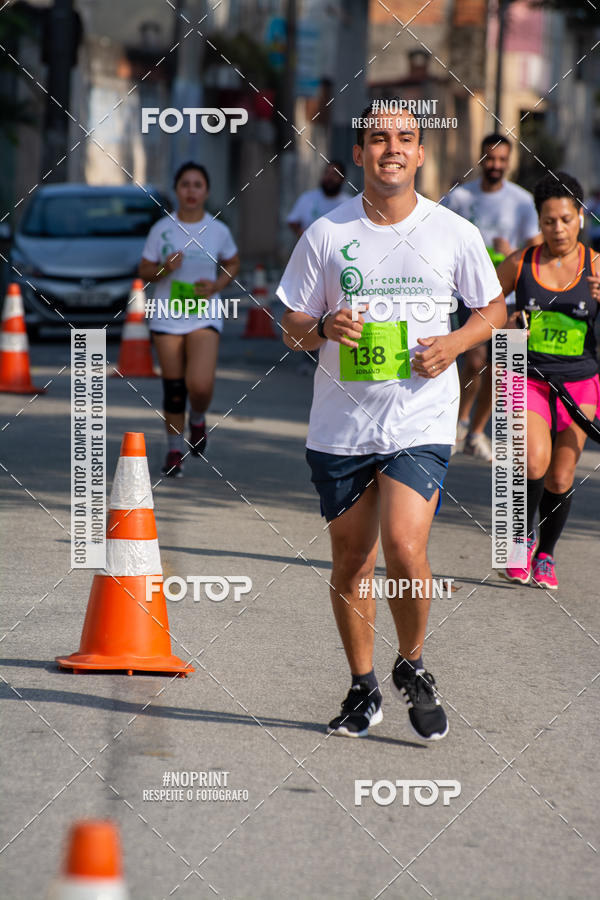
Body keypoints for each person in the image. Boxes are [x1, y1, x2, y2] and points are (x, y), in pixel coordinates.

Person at [277, 102, 506, 741]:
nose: (392, 149)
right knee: (352, 561)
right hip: (341, 429)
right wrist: (320, 328)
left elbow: (493, 308)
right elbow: (289, 321)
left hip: (420, 420)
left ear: (422, 153)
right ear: (359, 153)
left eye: (406, 138)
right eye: (379, 139)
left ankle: (413, 664)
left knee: (406, 548)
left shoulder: (452, 232)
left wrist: (456, 345)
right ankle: (363, 686)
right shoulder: (326, 234)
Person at [497, 172, 600, 590]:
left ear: (580, 216)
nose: (557, 229)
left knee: (560, 477)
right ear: (538, 221)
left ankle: (545, 554)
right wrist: (506, 322)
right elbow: (485, 305)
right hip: (527, 375)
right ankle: (519, 538)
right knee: (532, 461)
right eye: (548, 221)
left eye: (565, 219)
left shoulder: (596, 267)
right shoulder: (520, 262)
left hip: (580, 381)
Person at [139, 161, 240, 478]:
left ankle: (197, 419)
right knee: (173, 388)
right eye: (186, 185)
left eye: (198, 185)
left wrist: (218, 285)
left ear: (206, 191)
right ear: (177, 190)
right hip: (167, 315)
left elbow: (233, 262)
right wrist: (164, 269)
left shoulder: (218, 230)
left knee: (199, 384)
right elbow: (144, 272)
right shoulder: (162, 229)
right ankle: (173, 449)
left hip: (204, 313)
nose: (192, 191)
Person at [443, 134, 539, 461]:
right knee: (474, 360)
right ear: (480, 159)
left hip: (507, 294)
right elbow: (436, 235)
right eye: (489, 159)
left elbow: (535, 248)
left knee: (501, 368)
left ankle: (476, 432)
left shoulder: (523, 201)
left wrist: (509, 253)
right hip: (465, 293)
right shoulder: (459, 198)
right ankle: (458, 423)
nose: (495, 165)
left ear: (508, 162)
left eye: (501, 160)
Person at [286, 161, 351, 238]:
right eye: (327, 173)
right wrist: (303, 235)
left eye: (334, 174)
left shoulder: (349, 203)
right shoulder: (307, 198)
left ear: (342, 178)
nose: (329, 177)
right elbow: (293, 220)